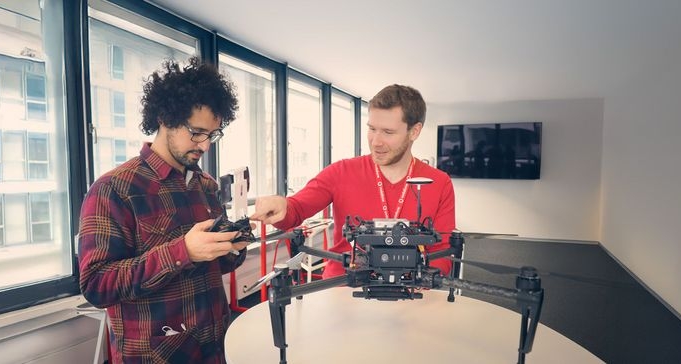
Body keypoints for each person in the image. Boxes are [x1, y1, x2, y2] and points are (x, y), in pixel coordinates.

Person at [78, 57, 248, 364]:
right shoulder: (114, 188)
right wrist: (183, 251)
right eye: (197, 132)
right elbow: (96, 286)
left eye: (212, 134)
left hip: (214, 347)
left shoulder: (206, 186)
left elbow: (213, 269)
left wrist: (231, 248)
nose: (206, 145)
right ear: (165, 118)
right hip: (156, 355)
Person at [251, 84, 455, 279]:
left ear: (414, 131)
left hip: (412, 294)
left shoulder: (439, 182)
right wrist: (282, 206)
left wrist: (418, 291)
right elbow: (296, 209)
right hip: (344, 289)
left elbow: (442, 252)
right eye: (372, 129)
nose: (376, 141)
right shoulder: (341, 171)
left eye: (388, 132)